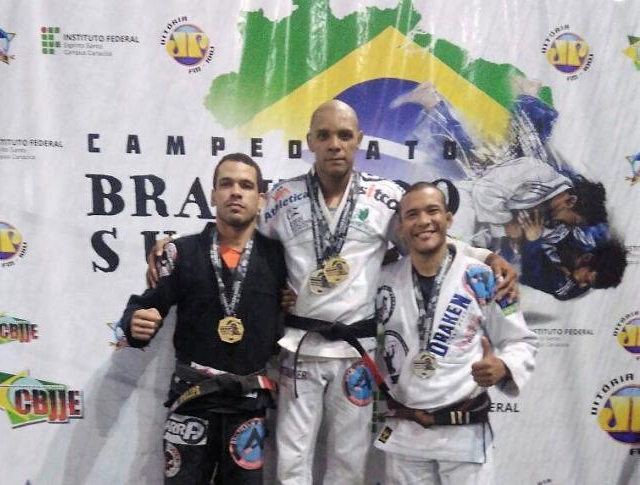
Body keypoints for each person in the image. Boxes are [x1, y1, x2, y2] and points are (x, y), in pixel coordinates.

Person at [147, 100, 517, 484]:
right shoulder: (282, 198)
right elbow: (238, 239)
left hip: (357, 351)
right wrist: (170, 248)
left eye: (344, 135)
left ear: (359, 139)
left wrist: (484, 255)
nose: (334, 145)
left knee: (349, 461)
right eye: (324, 136)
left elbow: (426, 240)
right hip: (299, 347)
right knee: (291, 460)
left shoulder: (384, 197)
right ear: (310, 141)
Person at [119, 153, 287, 484]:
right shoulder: (181, 253)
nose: (235, 192)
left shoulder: (281, 258)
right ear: (212, 195)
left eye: (246, 185)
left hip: (247, 407)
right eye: (226, 184)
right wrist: (135, 322)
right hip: (192, 401)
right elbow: (146, 306)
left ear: (260, 199)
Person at [374, 182, 538, 485]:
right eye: (412, 214)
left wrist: (503, 366)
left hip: (464, 432)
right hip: (405, 432)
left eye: (432, 211)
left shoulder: (485, 277)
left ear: (448, 219)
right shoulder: (382, 280)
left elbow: (520, 340)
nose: (423, 221)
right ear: (401, 227)